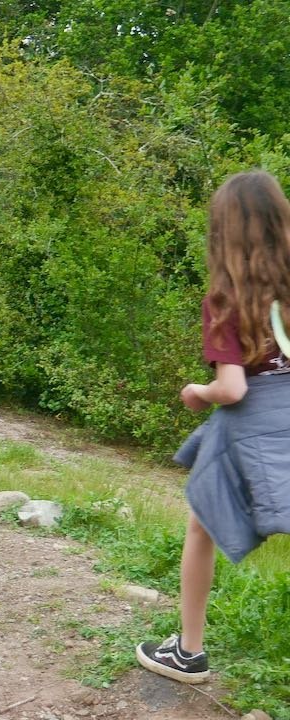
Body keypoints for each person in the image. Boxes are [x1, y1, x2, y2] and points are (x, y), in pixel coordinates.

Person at [135, 169, 290, 685]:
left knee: (201, 520)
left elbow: (233, 388)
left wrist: (195, 394)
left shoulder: (228, 300)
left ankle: (189, 651)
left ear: (224, 231)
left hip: (253, 424)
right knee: (205, 518)